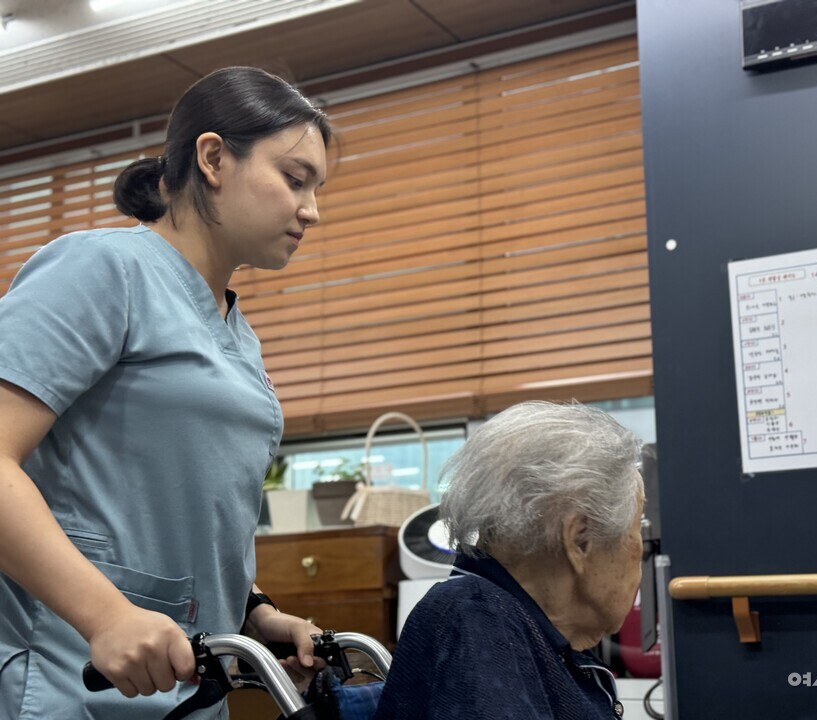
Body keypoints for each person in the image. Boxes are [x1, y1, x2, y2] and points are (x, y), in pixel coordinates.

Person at [0, 66, 332, 718]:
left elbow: (173, 511)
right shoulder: (103, 270)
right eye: (295, 179)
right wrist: (105, 617)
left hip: (183, 685)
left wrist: (256, 611)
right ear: (212, 157)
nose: (312, 210)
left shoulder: (242, 335)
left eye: (317, 188)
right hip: (70, 676)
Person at [373, 401, 646, 720]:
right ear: (580, 540)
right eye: (637, 526)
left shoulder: (523, 629)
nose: (641, 547)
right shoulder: (478, 623)